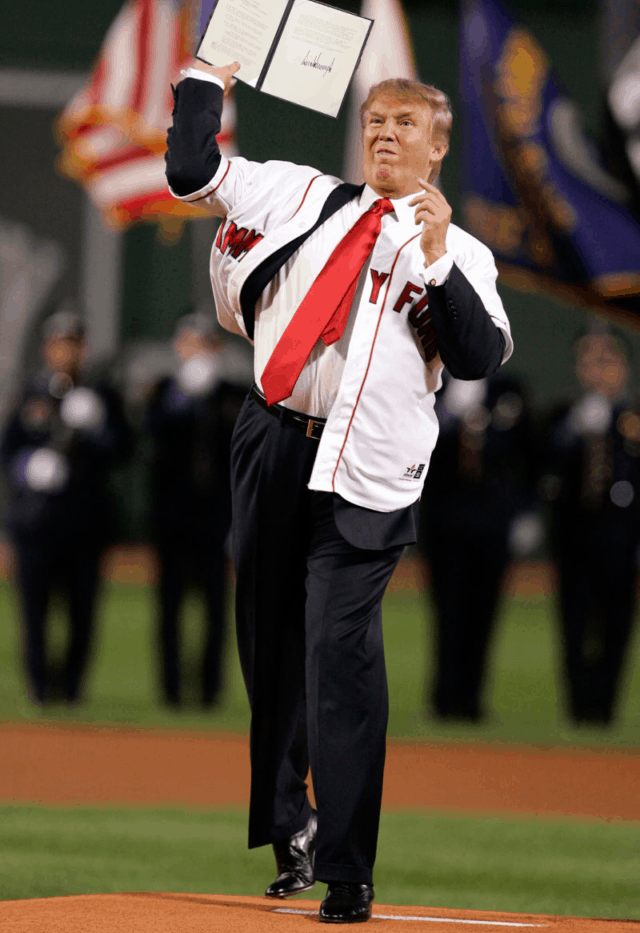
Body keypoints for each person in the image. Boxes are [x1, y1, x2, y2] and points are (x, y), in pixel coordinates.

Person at [165, 59, 513, 923]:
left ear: (437, 149)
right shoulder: (300, 194)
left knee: (338, 658)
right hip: (273, 440)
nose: (385, 133)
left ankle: (350, 870)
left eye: (405, 124)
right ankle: (294, 824)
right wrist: (205, 78)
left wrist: (433, 263)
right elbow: (190, 171)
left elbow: (475, 357)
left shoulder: (461, 251)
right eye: (375, 121)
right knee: (268, 646)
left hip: (368, 473)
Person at [0, 311, 132, 705]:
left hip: (84, 523)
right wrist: (29, 467)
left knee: (81, 614)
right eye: (59, 343)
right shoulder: (29, 393)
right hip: (35, 523)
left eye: (73, 343)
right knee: (34, 614)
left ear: (82, 348)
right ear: (46, 348)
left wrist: (97, 429)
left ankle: (72, 692)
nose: (66, 351)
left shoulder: (101, 394)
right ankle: (40, 690)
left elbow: (123, 451)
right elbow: (8, 453)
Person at [418, 371, 538, 722]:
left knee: (485, 613)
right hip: (445, 522)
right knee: (446, 611)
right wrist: (449, 420)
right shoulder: (433, 387)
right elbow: (416, 446)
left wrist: (527, 511)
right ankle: (443, 698)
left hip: (493, 523)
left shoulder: (509, 389)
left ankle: (471, 700)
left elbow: (527, 453)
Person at [144, 312, 245, 708]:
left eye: (206, 344)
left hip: (217, 517)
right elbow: (151, 436)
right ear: (178, 348)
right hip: (172, 518)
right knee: (169, 607)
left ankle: (209, 691)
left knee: (216, 609)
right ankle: (170, 690)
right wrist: (182, 401)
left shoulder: (233, 395)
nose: (198, 352)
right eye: (191, 343)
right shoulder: (165, 391)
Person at [540, 329, 640, 726]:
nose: (597, 373)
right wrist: (573, 432)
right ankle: (579, 708)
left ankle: (605, 708)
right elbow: (545, 465)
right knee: (574, 624)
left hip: (622, 537)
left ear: (624, 367)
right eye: (589, 362)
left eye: (606, 362)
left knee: (617, 625)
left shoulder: (632, 417)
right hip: (575, 538)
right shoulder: (566, 415)